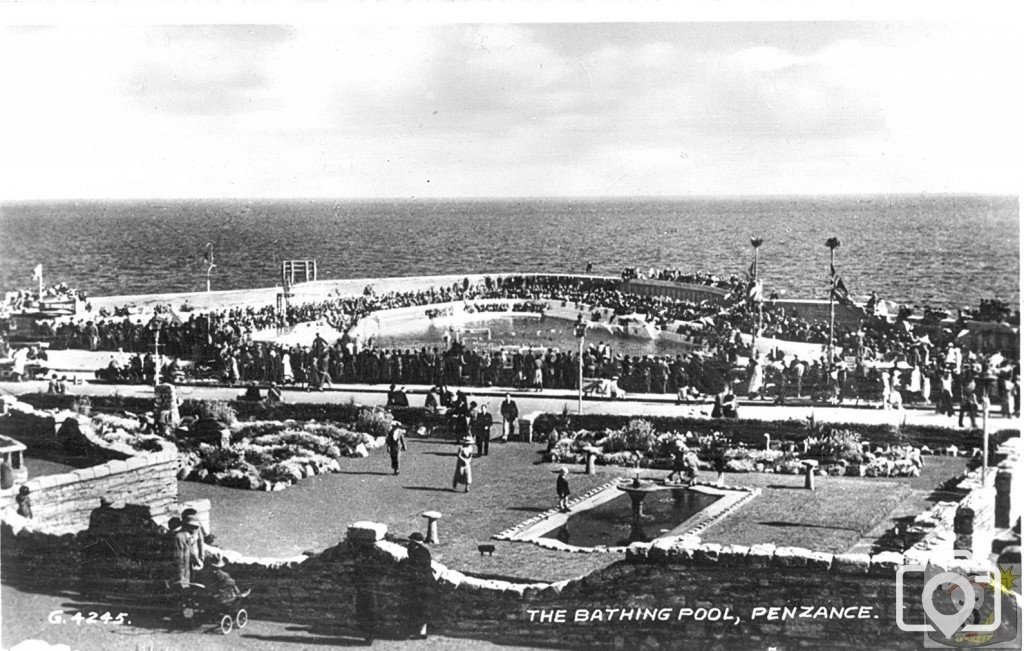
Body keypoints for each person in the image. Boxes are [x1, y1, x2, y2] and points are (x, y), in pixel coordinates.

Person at [405, 532, 432, 640]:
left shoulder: (419, 551)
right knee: (420, 606)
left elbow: (417, 567)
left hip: (421, 582)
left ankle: (422, 631)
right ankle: (421, 630)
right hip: (422, 581)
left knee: (421, 607)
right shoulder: (420, 550)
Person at [172, 514, 204, 588]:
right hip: (181, 572)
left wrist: (197, 560)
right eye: (194, 527)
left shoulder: (188, 536)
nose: (195, 529)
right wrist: (180, 578)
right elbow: (179, 559)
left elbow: (191, 550)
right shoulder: (179, 537)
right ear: (187, 526)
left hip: (187, 569)